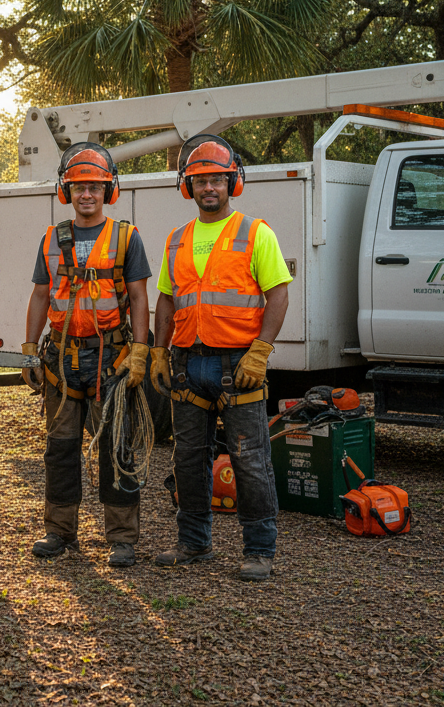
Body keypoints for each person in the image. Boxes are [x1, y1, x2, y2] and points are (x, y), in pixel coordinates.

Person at [151, 135, 292, 582]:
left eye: (216, 179)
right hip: (188, 362)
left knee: (250, 459)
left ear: (233, 182)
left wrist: (261, 352)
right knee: (188, 459)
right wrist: (158, 349)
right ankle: (194, 543)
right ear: (187, 187)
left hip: (239, 366)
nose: (209, 187)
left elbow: (279, 295)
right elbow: (166, 302)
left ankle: (259, 549)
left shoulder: (256, 233)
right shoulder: (177, 241)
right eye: (200, 180)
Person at [21, 143, 151, 566]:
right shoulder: (50, 239)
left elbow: (138, 297)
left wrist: (140, 352)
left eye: (95, 187)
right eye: (79, 187)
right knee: (60, 449)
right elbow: (41, 295)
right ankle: (59, 531)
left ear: (107, 191)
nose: (87, 195)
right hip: (61, 359)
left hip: (110, 358)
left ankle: (122, 537)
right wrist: (28, 347)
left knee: (117, 448)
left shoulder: (126, 237)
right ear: (67, 192)